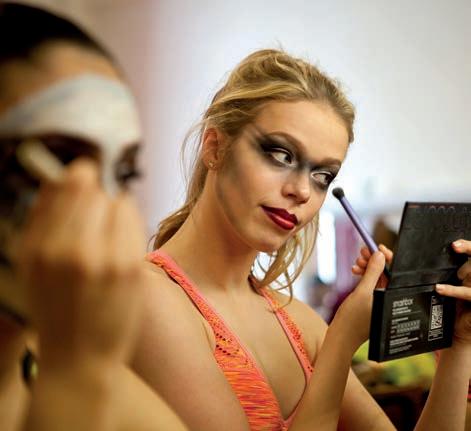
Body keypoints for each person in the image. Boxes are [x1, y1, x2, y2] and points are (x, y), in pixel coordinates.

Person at [132, 48, 471, 430]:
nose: (302, 191)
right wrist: (341, 342)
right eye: (281, 155)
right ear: (215, 147)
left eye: (322, 176)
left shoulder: (299, 323)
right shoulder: (146, 296)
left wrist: (458, 345)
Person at [0, 3, 187, 430]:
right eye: (63, 156)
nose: (101, 202)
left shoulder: (75, 371)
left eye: (123, 173)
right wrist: (75, 378)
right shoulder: (75, 368)